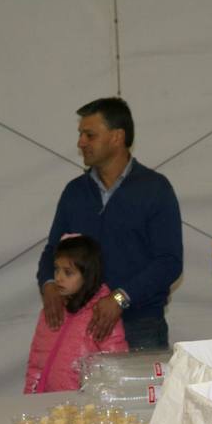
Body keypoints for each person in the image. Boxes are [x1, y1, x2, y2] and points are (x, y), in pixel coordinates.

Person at [37, 97, 182, 350]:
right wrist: (48, 283)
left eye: (89, 135)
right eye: (81, 134)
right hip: (80, 327)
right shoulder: (74, 192)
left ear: (117, 137)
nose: (80, 142)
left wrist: (120, 298)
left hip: (140, 326)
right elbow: (53, 249)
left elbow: (169, 262)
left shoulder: (155, 189)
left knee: (141, 392)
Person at [25, 235, 128, 393]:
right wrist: (30, 397)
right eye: (57, 269)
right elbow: (35, 363)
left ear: (87, 275)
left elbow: (115, 368)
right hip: (46, 403)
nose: (58, 278)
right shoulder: (51, 310)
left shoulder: (102, 315)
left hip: (84, 409)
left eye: (68, 272)